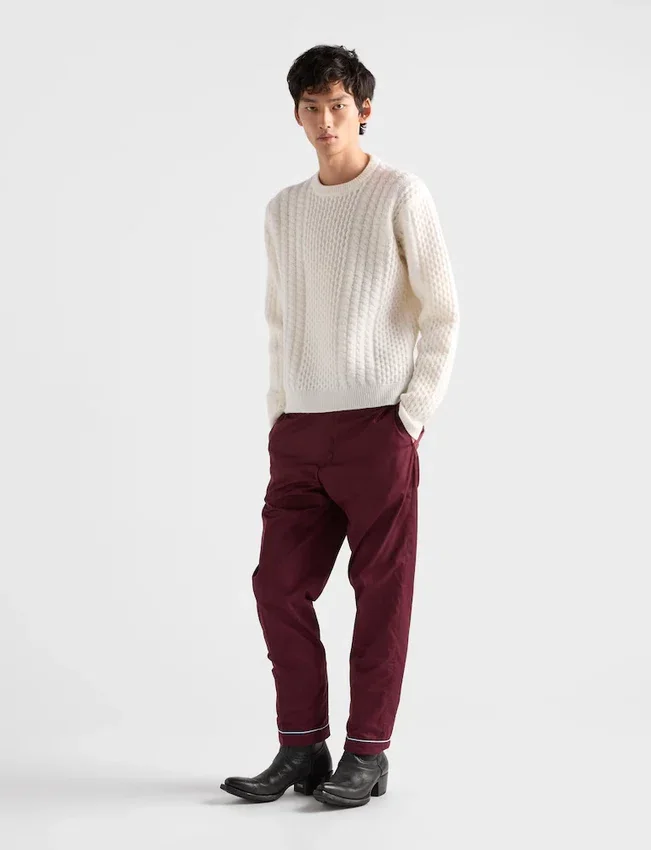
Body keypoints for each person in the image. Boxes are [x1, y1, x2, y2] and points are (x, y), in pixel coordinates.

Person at [220, 43, 460, 808]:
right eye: (311, 108)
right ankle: (302, 745)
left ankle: (367, 753)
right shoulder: (283, 210)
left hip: (377, 428)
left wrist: (410, 417)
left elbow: (443, 314)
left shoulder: (400, 194)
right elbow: (279, 320)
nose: (325, 121)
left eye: (338, 106)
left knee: (380, 597)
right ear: (296, 115)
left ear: (364, 111)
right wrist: (279, 412)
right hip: (300, 430)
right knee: (277, 586)